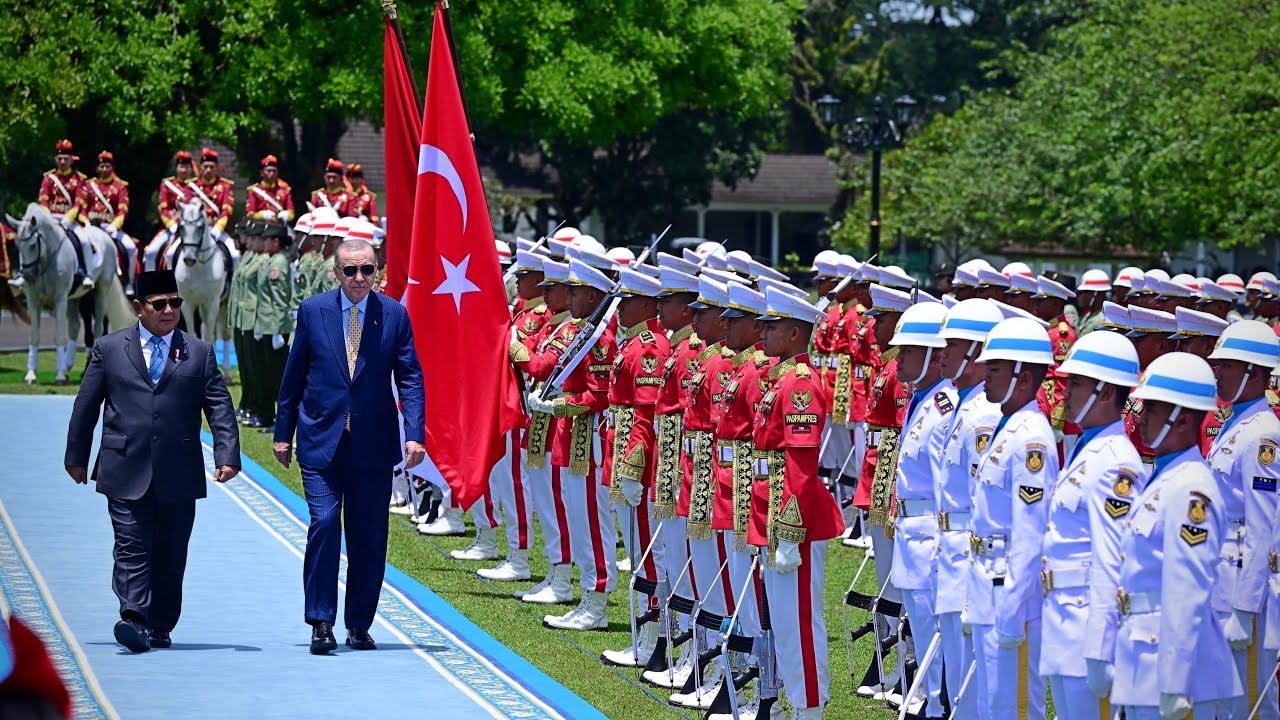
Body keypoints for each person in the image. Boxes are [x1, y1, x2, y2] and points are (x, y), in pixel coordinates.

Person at [63, 269, 241, 653]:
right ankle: (134, 618)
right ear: (138, 308)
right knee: (131, 545)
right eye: (159, 304)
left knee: (171, 552)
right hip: (124, 464)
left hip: (179, 468)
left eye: (175, 303)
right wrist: (76, 454)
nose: (169, 310)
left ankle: (160, 623)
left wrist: (228, 454)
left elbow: (220, 407)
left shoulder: (199, 352)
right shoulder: (109, 349)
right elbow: (87, 404)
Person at [273, 238, 425, 654]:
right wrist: (282, 432)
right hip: (321, 439)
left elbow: (410, 376)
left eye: (368, 270)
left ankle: (359, 623)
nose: (360, 278)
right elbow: (294, 376)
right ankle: (321, 621)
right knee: (324, 523)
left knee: (369, 537)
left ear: (377, 271)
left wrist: (415, 432)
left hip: (373, 446)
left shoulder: (393, 314)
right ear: (335, 273)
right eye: (351, 271)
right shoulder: (312, 311)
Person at [1092, 353, 1241, 719]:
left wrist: (1174, 683)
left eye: (1154, 409)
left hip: (1173, 670)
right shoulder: (1167, 478)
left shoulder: (1192, 490)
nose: (1141, 419)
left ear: (1183, 420)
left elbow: (1186, 590)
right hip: (1143, 659)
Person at [1040, 330, 1146, 719]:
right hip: (1066, 621)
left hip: (1089, 627)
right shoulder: (1089, 448)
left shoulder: (1115, 460)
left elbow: (1113, 560)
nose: (1065, 393)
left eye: (1077, 384)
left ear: (1105, 393)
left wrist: (1102, 648)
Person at [965, 316, 1058, 720]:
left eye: (995, 368)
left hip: (1009, 590)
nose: (985, 376)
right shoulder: (1007, 426)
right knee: (991, 704)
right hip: (988, 580)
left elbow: (1030, 532)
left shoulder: (1031, 437)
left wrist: (1013, 608)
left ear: (1022, 376)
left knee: (1014, 706)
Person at [1206, 321, 1280, 719]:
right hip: (1221, 579)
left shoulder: (1263, 434)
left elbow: (1264, 528)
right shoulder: (1237, 425)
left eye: (1227, 365)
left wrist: (1246, 610)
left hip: (1241, 588)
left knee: (1249, 706)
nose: (1217, 371)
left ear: (1252, 372)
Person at [886, 299, 955, 718]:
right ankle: (932, 704)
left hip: (931, 537)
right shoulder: (921, 401)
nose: (898, 357)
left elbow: (948, 485)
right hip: (912, 533)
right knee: (925, 633)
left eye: (908, 350)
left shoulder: (943, 408)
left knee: (938, 643)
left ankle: (938, 708)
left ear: (932, 356)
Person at [70, 151, 137, 293]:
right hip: (91, 227)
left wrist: (115, 225)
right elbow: (81, 207)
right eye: (102, 166)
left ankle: (129, 282)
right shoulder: (88, 186)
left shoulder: (120, 187)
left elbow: (123, 209)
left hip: (111, 226)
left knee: (131, 248)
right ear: (97, 168)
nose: (104, 169)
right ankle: (81, 273)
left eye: (107, 166)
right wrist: (86, 222)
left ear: (112, 168)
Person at [33, 139, 92, 288]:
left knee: (84, 241)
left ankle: (85, 273)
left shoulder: (79, 179)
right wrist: (47, 218)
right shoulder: (48, 178)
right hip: (50, 218)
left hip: (69, 220)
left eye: (66, 159)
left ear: (72, 160)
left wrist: (68, 218)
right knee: (30, 237)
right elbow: (44, 199)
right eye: (60, 158)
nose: (63, 161)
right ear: (55, 160)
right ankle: (24, 272)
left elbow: (79, 202)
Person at [253, 222, 295, 433]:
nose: (264, 242)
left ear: (276, 241)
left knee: (277, 377)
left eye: (267, 239)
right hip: (267, 325)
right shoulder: (271, 260)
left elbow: (279, 299)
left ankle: (281, 421)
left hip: (275, 326)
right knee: (268, 374)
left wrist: (279, 329)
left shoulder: (278, 262)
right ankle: (271, 417)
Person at [144, 150, 196, 270]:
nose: (184, 170)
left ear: (191, 169)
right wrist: (171, 224)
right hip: (171, 228)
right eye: (181, 166)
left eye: (187, 167)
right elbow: (163, 207)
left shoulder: (196, 186)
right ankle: (150, 285)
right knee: (151, 252)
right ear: (176, 168)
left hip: (191, 229)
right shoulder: (167, 185)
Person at [245, 155, 295, 224]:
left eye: (274, 171)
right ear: (262, 173)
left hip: (279, 226)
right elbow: (250, 214)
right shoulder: (254, 191)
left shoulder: (285, 190)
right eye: (268, 171)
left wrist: (287, 215)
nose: (272, 174)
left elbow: (291, 211)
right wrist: (262, 215)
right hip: (261, 227)